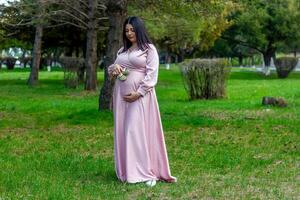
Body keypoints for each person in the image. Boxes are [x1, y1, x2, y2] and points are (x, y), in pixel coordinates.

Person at [107, 16, 177, 187]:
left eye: (132, 30)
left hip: (140, 97)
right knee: (124, 131)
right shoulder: (122, 50)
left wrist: (138, 93)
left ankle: (147, 172)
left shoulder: (149, 49)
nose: (129, 33)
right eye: (127, 30)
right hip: (121, 97)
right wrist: (114, 69)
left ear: (139, 30)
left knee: (136, 131)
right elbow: (112, 71)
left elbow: (152, 76)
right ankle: (129, 170)